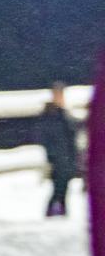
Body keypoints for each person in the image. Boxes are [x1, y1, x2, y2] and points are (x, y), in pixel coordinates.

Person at [36, 81, 81, 217]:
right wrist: (51, 155)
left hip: (67, 156)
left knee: (64, 185)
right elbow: (46, 137)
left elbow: (72, 134)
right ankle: (52, 210)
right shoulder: (50, 114)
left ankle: (62, 209)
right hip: (57, 157)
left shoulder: (64, 114)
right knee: (58, 186)